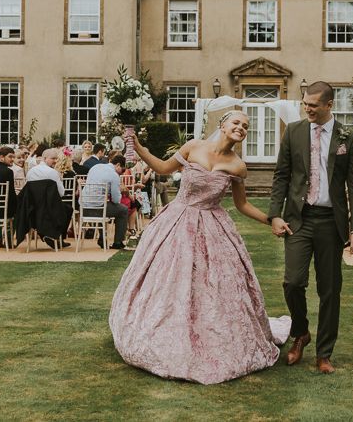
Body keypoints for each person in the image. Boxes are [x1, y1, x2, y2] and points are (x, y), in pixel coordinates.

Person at [109, 111, 290, 385]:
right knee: (170, 280)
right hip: (178, 221)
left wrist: (271, 220)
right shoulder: (194, 146)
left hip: (213, 226)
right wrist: (139, 148)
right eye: (236, 122)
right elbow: (162, 168)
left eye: (245, 125)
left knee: (214, 285)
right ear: (222, 125)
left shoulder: (238, 166)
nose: (240, 127)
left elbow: (242, 205)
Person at [269, 81, 353, 375]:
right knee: (293, 282)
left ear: (328, 105)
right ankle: (301, 332)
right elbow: (281, 176)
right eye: (304, 104)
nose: (306, 109)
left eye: (312, 105)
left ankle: (324, 353)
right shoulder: (294, 131)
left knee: (329, 289)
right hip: (299, 218)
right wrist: (275, 214)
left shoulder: (348, 135)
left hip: (330, 221)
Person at [83, 154, 130, 249]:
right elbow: (117, 200)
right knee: (123, 210)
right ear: (118, 165)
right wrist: (119, 191)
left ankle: (102, 237)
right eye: (122, 170)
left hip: (83, 207)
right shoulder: (114, 175)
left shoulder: (95, 167)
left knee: (103, 204)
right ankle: (118, 242)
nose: (122, 173)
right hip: (98, 209)